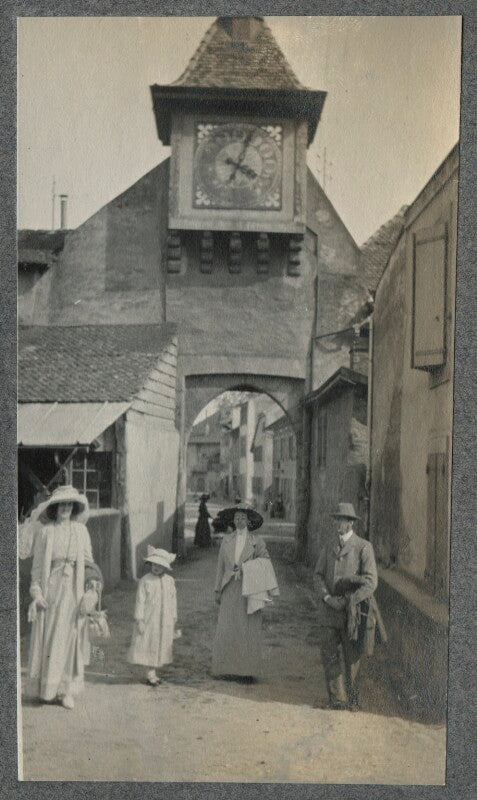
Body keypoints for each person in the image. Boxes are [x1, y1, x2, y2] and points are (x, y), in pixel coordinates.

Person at [26, 484, 99, 710]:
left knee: (70, 637)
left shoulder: (81, 531)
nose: (66, 508)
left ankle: (66, 690)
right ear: (54, 508)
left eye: (69, 504)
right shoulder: (46, 532)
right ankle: (48, 689)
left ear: (74, 507)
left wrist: (92, 585)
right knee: (51, 638)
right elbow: (37, 568)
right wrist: (37, 593)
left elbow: (88, 563)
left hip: (74, 591)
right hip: (52, 590)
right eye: (61, 505)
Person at [313, 502, 379, 711]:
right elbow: (317, 575)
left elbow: (371, 582)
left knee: (353, 658)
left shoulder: (363, 547)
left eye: (340, 520)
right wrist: (327, 598)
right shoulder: (329, 545)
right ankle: (337, 699)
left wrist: (350, 600)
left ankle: (353, 699)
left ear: (350, 523)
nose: (337, 524)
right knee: (329, 654)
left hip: (352, 614)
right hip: (329, 612)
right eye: (336, 519)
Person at [211, 503, 271, 681]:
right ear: (233, 520)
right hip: (229, 588)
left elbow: (265, 561)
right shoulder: (226, 540)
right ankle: (225, 669)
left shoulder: (257, 542)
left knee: (247, 629)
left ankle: (246, 672)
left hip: (249, 589)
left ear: (249, 521)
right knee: (228, 627)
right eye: (237, 517)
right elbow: (220, 567)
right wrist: (217, 589)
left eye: (243, 518)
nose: (239, 520)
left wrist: (247, 568)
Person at [127, 546, 178, 686]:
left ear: (165, 567)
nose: (156, 568)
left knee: (160, 644)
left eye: (160, 565)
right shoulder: (145, 580)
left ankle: (153, 673)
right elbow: (140, 601)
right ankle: (150, 674)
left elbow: (173, 600)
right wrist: (139, 619)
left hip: (165, 619)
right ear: (150, 564)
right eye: (154, 564)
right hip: (150, 618)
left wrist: (174, 617)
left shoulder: (169, 581)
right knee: (149, 643)